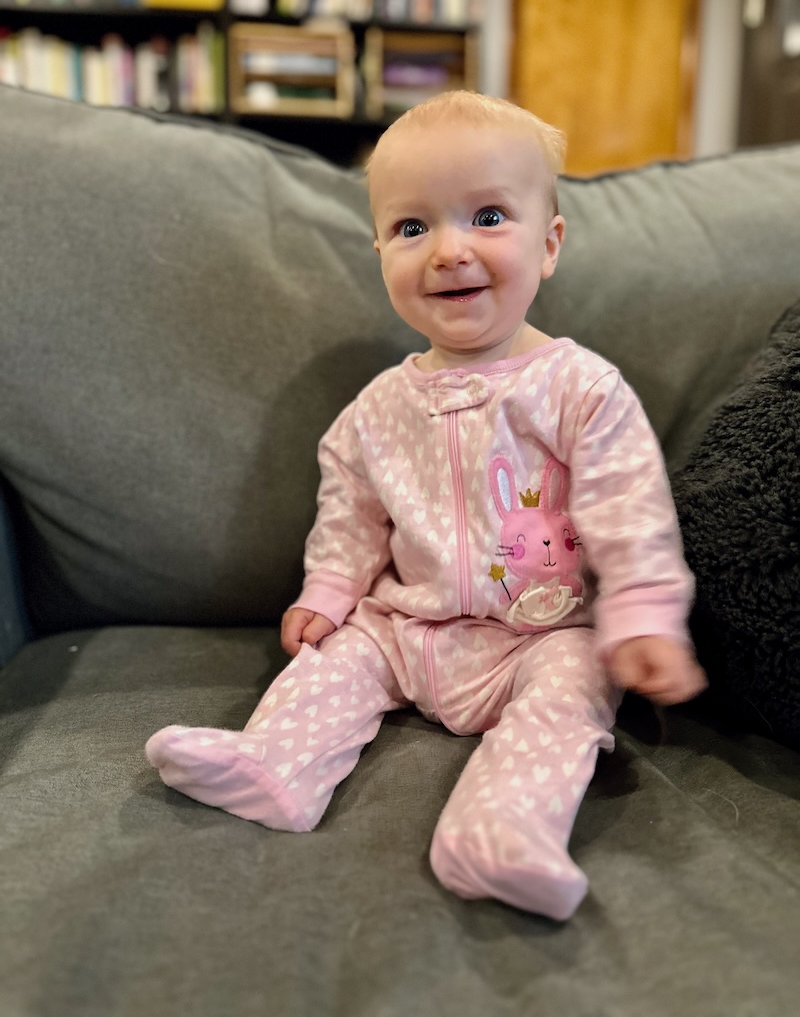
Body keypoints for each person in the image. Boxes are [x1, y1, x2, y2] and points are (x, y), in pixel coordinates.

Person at [146, 91, 707, 920]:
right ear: (380, 251)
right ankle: (275, 768)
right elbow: (350, 512)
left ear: (549, 244)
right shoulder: (376, 408)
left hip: (540, 633)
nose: (449, 251)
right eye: (412, 227)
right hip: (406, 628)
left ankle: (501, 827)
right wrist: (330, 591)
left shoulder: (580, 389)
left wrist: (644, 613)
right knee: (336, 659)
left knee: (574, 686)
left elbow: (629, 508)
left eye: (488, 217)